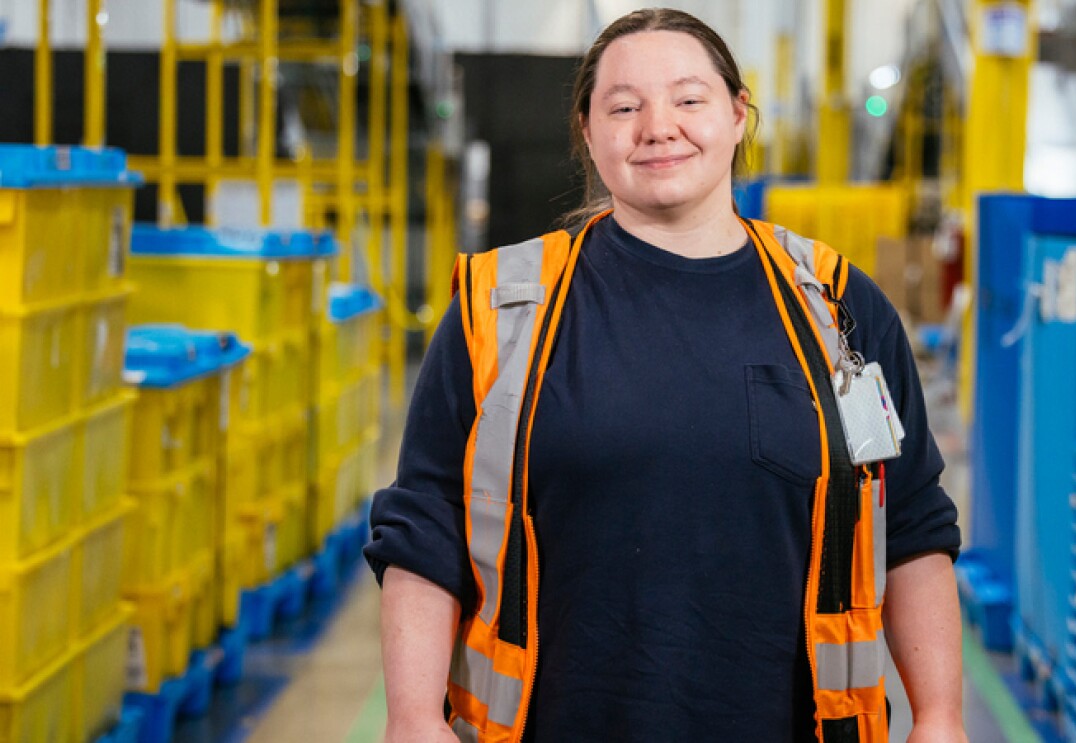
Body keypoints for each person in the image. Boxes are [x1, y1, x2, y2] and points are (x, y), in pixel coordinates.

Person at [365, 8, 964, 743]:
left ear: (738, 115)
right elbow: (427, 522)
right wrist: (413, 716)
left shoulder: (838, 308)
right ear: (588, 130)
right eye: (623, 106)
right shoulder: (502, 310)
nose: (658, 126)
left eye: (689, 99)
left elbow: (909, 523)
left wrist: (939, 716)